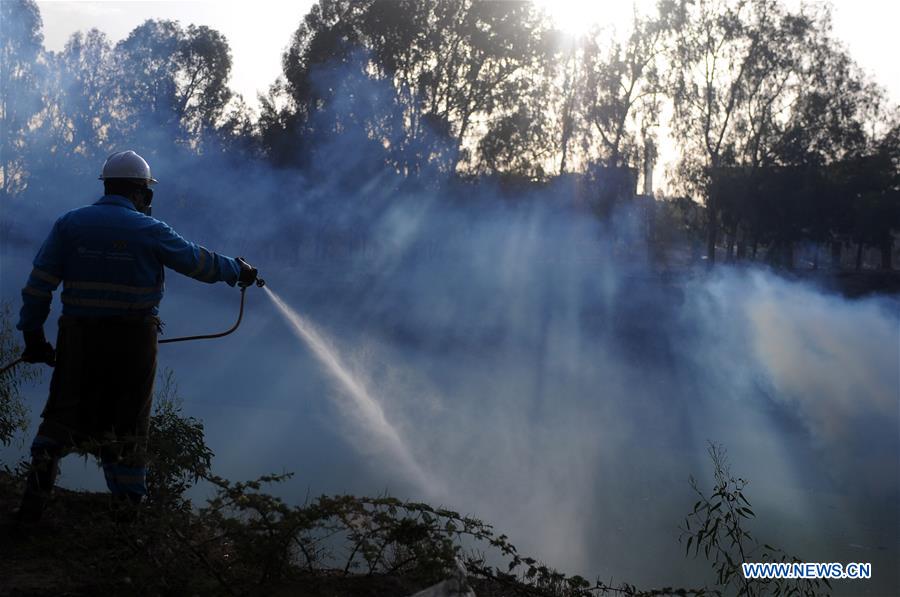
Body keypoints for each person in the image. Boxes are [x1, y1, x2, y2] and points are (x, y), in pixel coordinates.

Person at [15, 150, 257, 522]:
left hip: (77, 338)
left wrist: (33, 336)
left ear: (107, 186)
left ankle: (31, 506)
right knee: (128, 424)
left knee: (62, 415)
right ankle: (127, 520)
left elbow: (38, 288)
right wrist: (238, 271)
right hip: (132, 345)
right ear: (143, 194)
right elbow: (197, 262)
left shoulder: (70, 225)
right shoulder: (150, 230)